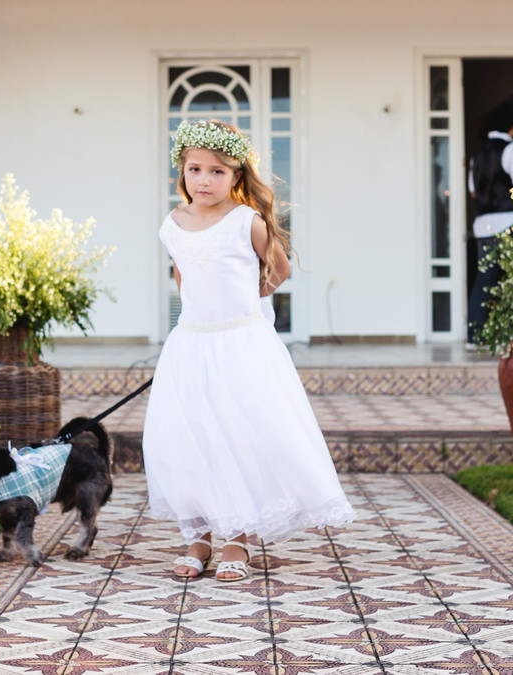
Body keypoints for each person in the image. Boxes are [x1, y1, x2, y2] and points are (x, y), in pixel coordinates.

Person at [143, 119, 355, 582]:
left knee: (237, 436)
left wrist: (248, 311)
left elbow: (278, 270)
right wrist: (197, 322)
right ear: (182, 171)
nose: (204, 180)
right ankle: (196, 537)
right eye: (195, 169)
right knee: (191, 439)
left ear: (237, 176)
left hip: (240, 345)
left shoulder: (247, 222)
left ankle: (236, 537)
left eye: (217, 171)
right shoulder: (173, 225)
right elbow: (184, 277)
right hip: (191, 345)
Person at [467, 104, 513, 347]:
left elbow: (474, 194)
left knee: (484, 280)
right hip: (511, 222)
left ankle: (475, 337)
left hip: (483, 226)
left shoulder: (476, 156)